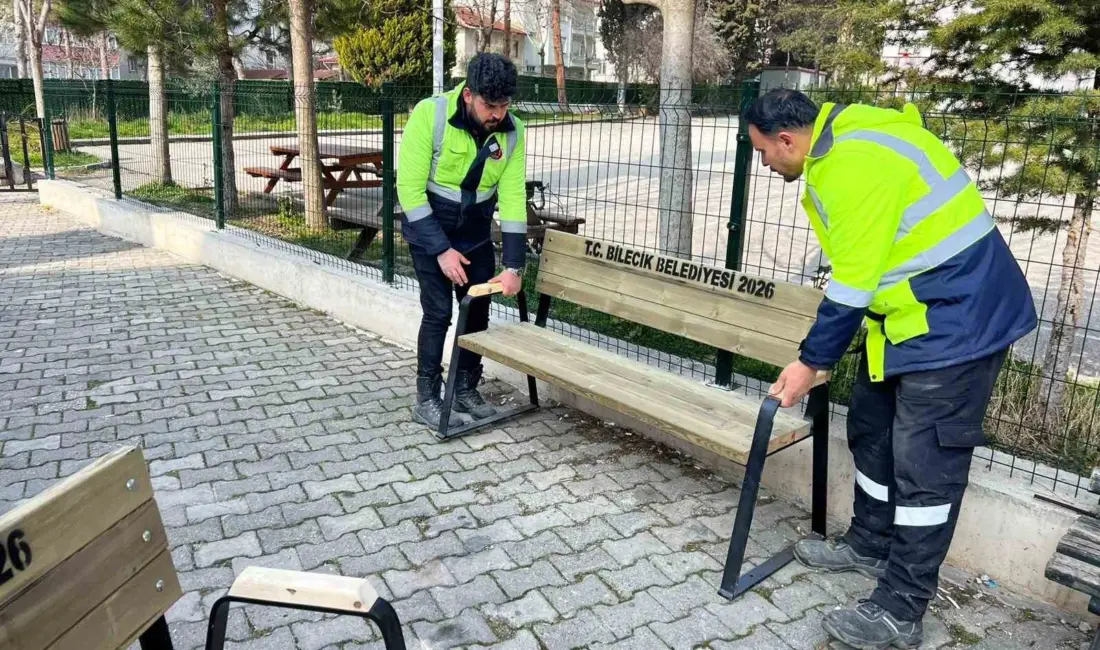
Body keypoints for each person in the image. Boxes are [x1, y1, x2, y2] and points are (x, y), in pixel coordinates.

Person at [745, 88, 1037, 650]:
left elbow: (852, 283)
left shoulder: (853, 164)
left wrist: (811, 362)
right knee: (871, 430)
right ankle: (869, 543)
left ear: (787, 140)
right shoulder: (845, 137)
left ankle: (902, 608)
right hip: (907, 319)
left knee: (925, 470)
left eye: (763, 153)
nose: (764, 164)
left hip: (958, 324)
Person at [397, 53, 527, 428]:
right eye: (490, 106)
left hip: (474, 232)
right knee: (438, 312)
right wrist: (441, 250)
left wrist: (514, 267)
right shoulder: (431, 115)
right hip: (430, 227)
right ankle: (427, 397)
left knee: (477, 308)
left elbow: (513, 197)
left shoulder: (513, 132)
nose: (498, 114)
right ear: (469, 94)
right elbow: (409, 190)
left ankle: (465, 388)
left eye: (504, 106)